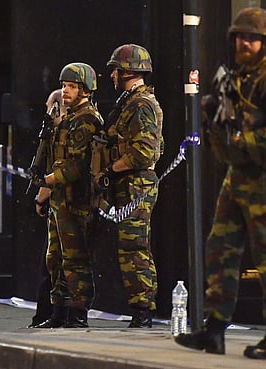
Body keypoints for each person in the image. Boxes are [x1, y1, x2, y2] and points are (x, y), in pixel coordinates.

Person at [175, 8, 266, 361]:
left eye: (253, 38)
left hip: (264, 177)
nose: (245, 43)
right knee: (221, 249)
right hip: (239, 173)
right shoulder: (240, 76)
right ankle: (214, 331)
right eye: (240, 37)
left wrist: (241, 139)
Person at [30, 63, 104, 328]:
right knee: (56, 258)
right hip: (60, 200)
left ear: (85, 89)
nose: (65, 91)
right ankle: (58, 312)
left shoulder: (87, 119)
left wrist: (48, 180)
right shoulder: (68, 118)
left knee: (75, 260)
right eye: (64, 86)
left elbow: (77, 165)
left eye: (71, 86)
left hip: (76, 201)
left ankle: (77, 313)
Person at [96, 44, 163, 328]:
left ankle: (143, 311)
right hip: (128, 185)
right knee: (128, 247)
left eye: (116, 69)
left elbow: (144, 153)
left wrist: (111, 168)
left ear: (128, 72)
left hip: (136, 185)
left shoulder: (140, 105)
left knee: (134, 247)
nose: (111, 74)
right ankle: (139, 309)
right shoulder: (129, 102)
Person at [27, 89, 67, 328]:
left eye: (49, 106)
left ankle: (49, 315)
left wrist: (41, 196)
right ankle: (54, 314)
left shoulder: (63, 132)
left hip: (63, 205)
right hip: (63, 205)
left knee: (53, 265)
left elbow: (57, 169)